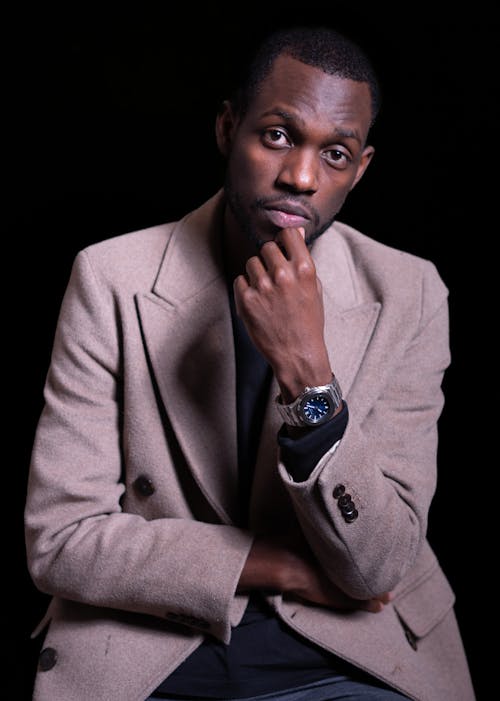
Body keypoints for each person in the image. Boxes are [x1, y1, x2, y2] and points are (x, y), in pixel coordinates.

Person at [24, 24, 476, 701]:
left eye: (336, 154)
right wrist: (271, 565)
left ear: (362, 168)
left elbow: (379, 562)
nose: (300, 177)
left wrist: (309, 370)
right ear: (227, 127)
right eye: (278, 135)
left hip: (352, 657)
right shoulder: (111, 277)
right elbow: (60, 539)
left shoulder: (409, 291)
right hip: (153, 652)